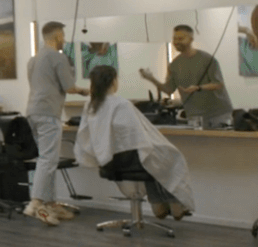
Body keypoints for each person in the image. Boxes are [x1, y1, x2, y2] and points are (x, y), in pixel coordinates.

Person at [76, 65, 195, 220]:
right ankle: (174, 205)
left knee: (152, 160)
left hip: (108, 162)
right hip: (128, 161)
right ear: (113, 81)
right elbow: (139, 137)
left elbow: (85, 136)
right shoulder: (121, 104)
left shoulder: (90, 105)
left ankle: (159, 204)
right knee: (168, 157)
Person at [24, 21, 90, 226]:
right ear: (57, 36)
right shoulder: (58, 57)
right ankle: (35, 203)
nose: (64, 39)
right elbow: (69, 87)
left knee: (47, 159)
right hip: (48, 114)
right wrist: (84, 91)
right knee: (48, 160)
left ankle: (50, 204)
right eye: (63, 35)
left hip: (32, 112)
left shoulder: (33, 60)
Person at [139, 24, 233, 128]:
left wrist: (198, 88)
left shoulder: (207, 59)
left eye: (181, 38)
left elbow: (218, 84)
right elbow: (168, 90)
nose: (176, 42)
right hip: (194, 115)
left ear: (191, 39)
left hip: (217, 114)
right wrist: (151, 78)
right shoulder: (174, 65)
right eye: (174, 38)